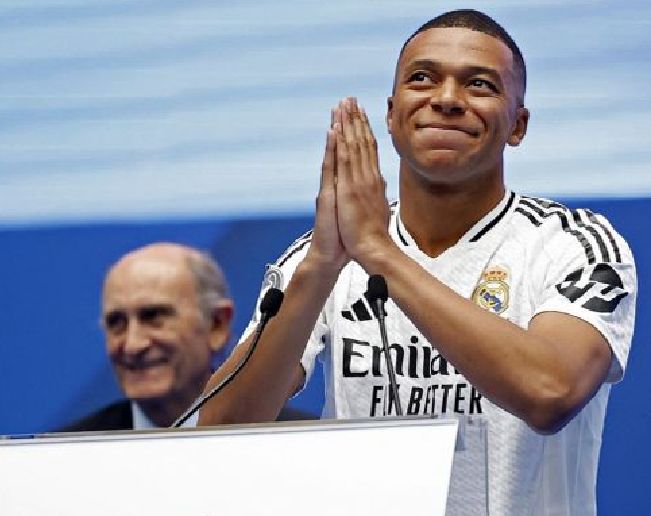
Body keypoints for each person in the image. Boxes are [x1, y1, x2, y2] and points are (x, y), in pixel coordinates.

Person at [197, 9, 636, 515]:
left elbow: (550, 391)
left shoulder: (573, 245)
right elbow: (220, 434)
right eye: (422, 78)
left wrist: (380, 254)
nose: (446, 99)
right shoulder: (323, 257)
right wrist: (320, 268)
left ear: (517, 125)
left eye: (479, 85)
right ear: (391, 114)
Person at [60, 242, 313, 432]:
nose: (133, 345)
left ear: (216, 325)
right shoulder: (66, 455)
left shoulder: (296, 442)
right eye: (116, 323)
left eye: (153, 316)